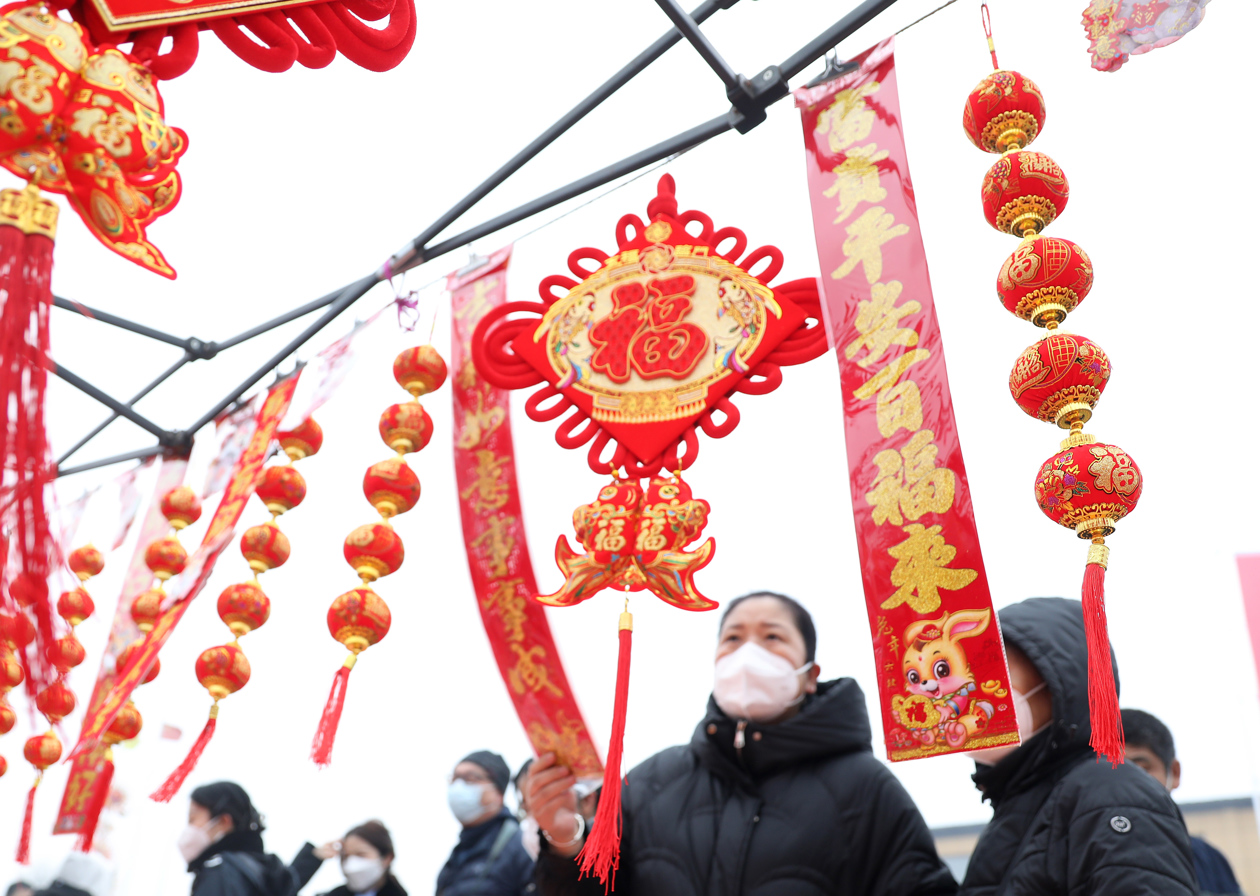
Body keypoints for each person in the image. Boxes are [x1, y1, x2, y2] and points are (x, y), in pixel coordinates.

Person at [526, 590, 957, 896]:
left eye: (772, 637)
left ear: (810, 675)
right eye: (732, 638)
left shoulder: (866, 788)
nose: (748, 653)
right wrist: (567, 843)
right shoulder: (648, 782)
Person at [959, 597, 1197, 895]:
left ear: (1062, 681)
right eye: (974, 675)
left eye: (997, 673)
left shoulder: (1111, 791)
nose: (975, 694)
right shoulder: (1022, 806)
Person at [1122, 707, 1244, 896]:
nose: (1125, 783)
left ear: (1175, 773)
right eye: (1110, 771)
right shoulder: (1073, 857)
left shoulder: (1208, 858)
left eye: (1141, 770)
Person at [436, 750, 535, 896]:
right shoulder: (456, 855)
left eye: (470, 778)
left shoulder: (522, 847)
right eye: (454, 778)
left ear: (498, 793)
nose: (459, 786)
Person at [180, 781, 297, 896]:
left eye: (192, 819)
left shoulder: (219, 873)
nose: (188, 828)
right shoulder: (264, 872)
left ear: (223, 822)